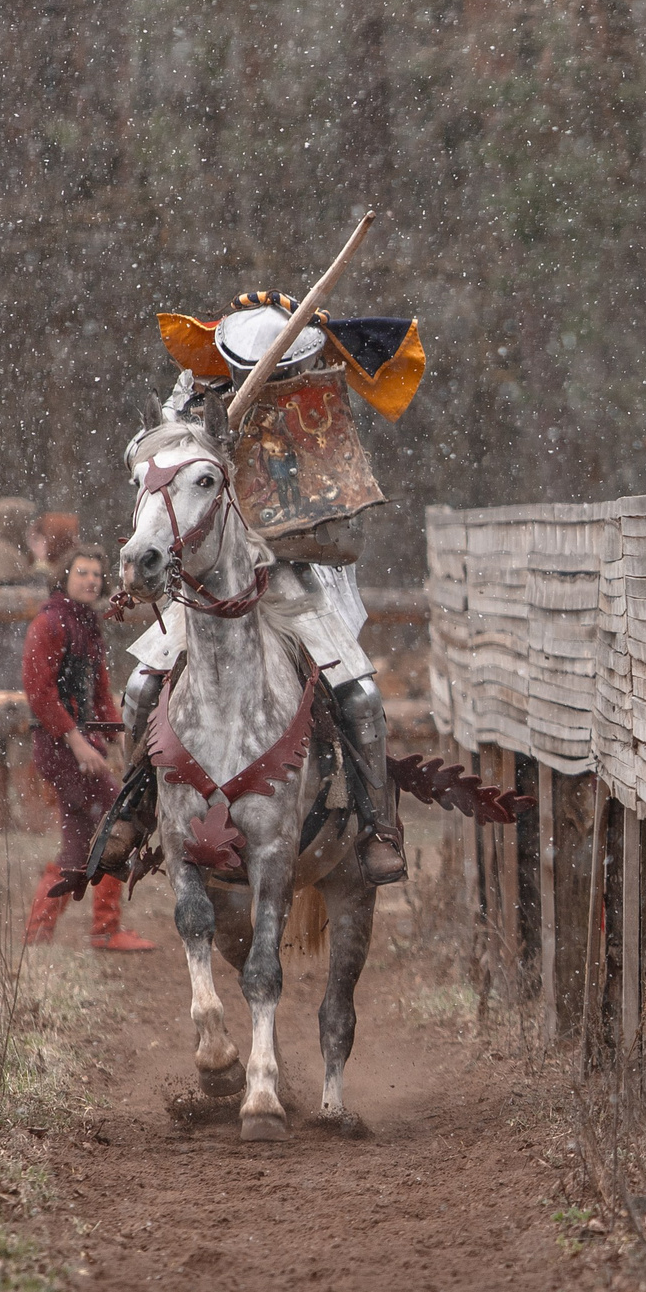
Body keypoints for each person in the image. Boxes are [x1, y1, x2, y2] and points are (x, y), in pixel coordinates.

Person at [98, 290, 427, 889]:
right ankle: (134, 808)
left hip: (294, 578)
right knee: (144, 683)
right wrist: (192, 438)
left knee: (359, 695)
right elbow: (147, 451)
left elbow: (337, 497)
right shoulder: (195, 391)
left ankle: (377, 826)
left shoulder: (318, 403)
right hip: (211, 582)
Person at [21, 543, 153, 950]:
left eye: (96, 574)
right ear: (64, 577)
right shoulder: (50, 623)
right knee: (118, 820)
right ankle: (104, 929)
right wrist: (78, 744)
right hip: (60, 748)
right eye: (82, 572)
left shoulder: (87, 624)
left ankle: (40, 934)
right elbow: (41, 694)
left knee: (79, 845)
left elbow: (98, 691)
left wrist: (118, 739)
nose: (91, 580)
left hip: (82, 746)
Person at [0, 496, 47, 587]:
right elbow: (8, 586)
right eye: (26, 521)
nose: (30, 527)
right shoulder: (0, 551)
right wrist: (41, 568)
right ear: (15, 523)